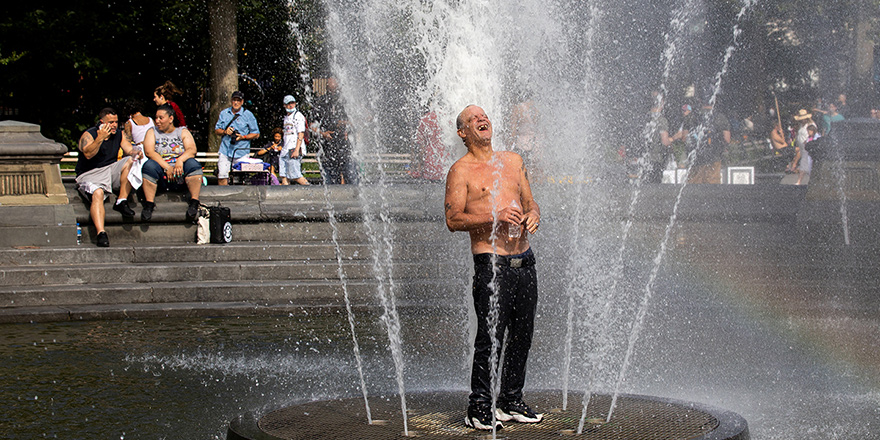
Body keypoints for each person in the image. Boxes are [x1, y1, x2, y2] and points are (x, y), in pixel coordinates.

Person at [445, 105, 542, 431]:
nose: (481, 120)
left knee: (523, 335)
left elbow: (530, 202)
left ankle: (510, 400)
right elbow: (453, 219)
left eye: (483, 116)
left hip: (524, 259)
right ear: (463, 133)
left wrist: (533, 214)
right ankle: (479, 407)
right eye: (473, 119)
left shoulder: (513, 161)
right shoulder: (461, 171)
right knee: (490, 338)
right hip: (492, 262)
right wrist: (493, 217)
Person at [74, 107, 139, 247]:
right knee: (98, 193)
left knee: (131, 160)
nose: (114, 125)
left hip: (109, 170)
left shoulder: (119, 134)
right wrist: (100, 138)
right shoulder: (89, 134)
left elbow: (128, 149)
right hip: (89, 174)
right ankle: (101, 233)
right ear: (101, 122)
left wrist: (136, 153)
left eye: (116, 122)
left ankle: (121, 200)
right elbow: (88, 154)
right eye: (110, 122)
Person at [141, 104, 203, 222]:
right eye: (156, 118)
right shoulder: (152, 132)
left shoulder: (182, 131)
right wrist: (167, 167)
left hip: (180, 173)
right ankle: (149, 204)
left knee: (193, 164)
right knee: (149, 166)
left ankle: (194, 202)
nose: (157, 121)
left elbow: (191, 149)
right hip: (162, 172)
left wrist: (180, 160)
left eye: (161, 118)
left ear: (171, 118)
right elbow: (149, 152)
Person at [214, 90, 260, 185]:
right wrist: (225, 132)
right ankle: (223, 197)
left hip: (241, 152)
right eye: (234, 100)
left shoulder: (248, 115)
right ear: (231, 101)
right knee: (222, 176)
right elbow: (216, 130)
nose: (236, 102)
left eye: (238, 100)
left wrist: (243, 137)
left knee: (241, 179)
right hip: (225, 150)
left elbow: (256, 134)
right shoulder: (224, 113)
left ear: (242, 102)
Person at [315, 77, 355, 184]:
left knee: (351, 178)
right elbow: (311, 125)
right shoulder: (322, 102)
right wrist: (323, 134)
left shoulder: (345, 101)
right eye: (329, 85)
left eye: (334, 85)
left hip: (345, 147)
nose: (332, 87)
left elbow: (354, 121)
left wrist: (342, 125)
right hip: (328, 149)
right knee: (331, 181)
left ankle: (355, 198)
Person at [689, 97, 731, 184]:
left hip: (697, 157)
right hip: (714, 156)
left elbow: (686, 137)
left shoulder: (695, 117)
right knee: (713, 182)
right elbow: (727, 139)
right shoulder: (720, 117)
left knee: (694, 183)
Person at [279, 95, 310, 185]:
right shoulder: (286, 118)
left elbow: (301, 133)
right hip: (285, 149)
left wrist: (297, 150)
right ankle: (285, 196)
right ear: (284, 105)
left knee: (295, 175)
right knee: (284, 176)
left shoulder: (298, 116)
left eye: (292, 103)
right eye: (288, 104)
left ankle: (312, 191)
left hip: (293, 148)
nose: (291, 105)